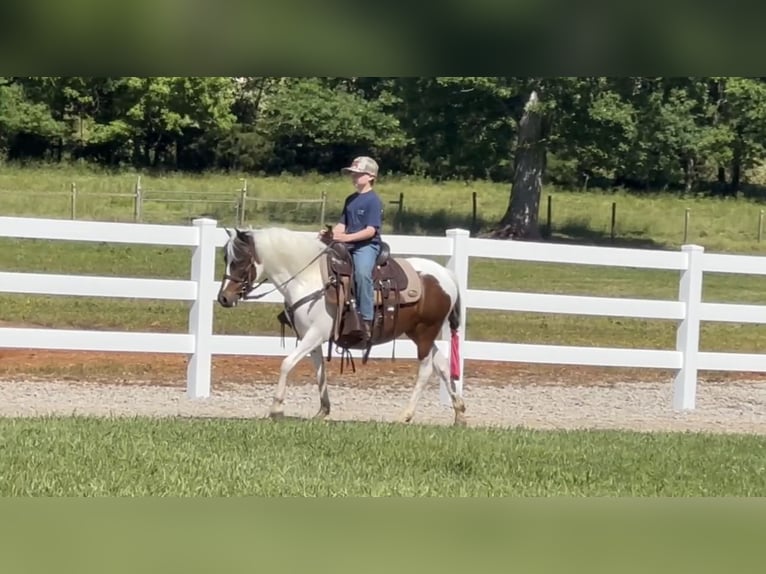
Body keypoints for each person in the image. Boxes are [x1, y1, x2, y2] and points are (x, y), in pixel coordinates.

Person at [323, 156, 384, 337]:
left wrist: (347, 238)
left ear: (371, 176)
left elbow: (371, 231)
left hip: (366, 245)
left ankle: (366, 319)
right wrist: (331, 234)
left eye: (358, 174)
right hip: (348, 244)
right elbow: (342, 224)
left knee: (362, 273)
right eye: (352, 174)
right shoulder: (350, 199)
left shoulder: (373, 201)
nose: (354, 177)